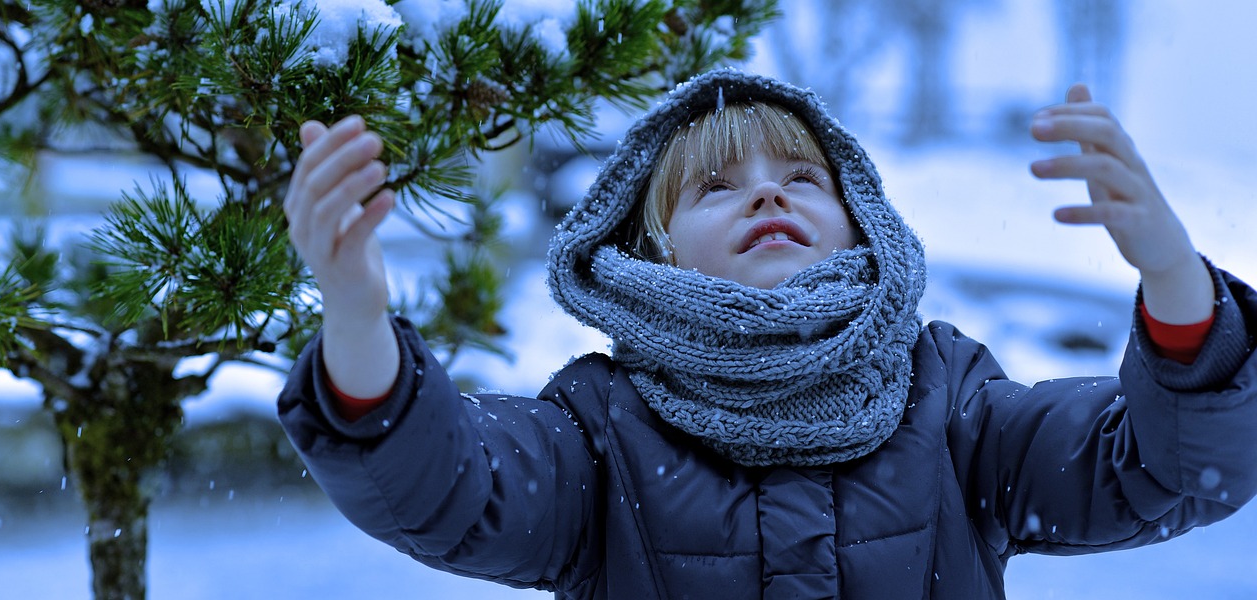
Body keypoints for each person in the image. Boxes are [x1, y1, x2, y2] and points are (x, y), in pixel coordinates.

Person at [277, 69, 1257, 599]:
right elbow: (449, 492)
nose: (764, 193)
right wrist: (359, 320)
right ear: (652, 253)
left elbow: (1162, 472)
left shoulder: (949, 403)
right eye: (714, 185)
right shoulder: (596, 430)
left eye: (799, 178)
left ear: (859, 221)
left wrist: (1173, 276)